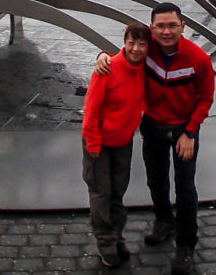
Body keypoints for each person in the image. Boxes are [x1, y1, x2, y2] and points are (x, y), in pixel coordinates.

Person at [94, 2, 215, 275]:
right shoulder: (147, 52)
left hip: (184, 130)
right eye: (160, 26)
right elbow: (122, 57)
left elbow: (205, 98)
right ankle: (164, 221)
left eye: (172, 25)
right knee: (155, 179)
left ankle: (185, 245)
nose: (166, 31)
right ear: (152, 28)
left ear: (183, 26)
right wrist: (102, 55)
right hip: (154, 126)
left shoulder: (199, 59)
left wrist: (191, 132)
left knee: (185, 187)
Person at [82, 22, 151, 268]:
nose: (135, 49)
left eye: (142, 44)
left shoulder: (145, 69)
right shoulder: (107, 68)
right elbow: (91, 109)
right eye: (131, 42)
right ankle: (106, 244)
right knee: (101, 194)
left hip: (123, 142)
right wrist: (92, 144)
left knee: (118, 193)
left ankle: (117, 236)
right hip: (99, 142)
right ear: (124, 42)